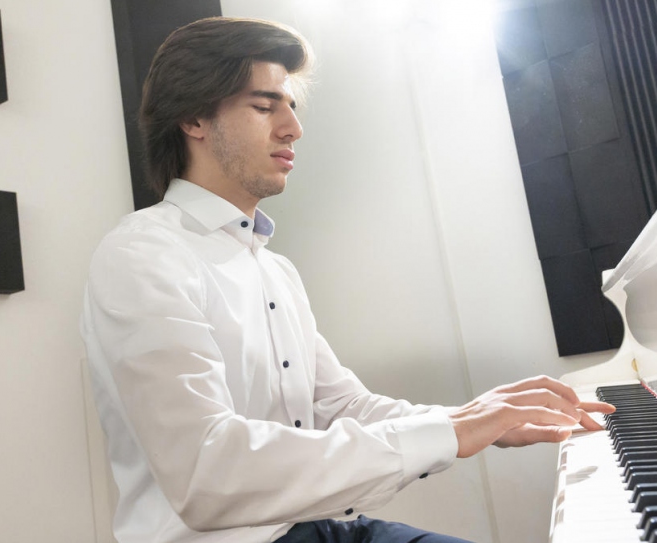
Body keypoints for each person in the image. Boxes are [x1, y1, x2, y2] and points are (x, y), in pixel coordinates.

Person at [81, 17, 614, 543]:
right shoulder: (142, 256)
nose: (293, 127)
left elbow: (345, 407)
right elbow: (208, 472)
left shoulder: (274, 269)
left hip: (320, 525)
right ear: (194, 119)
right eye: (265, 106)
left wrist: (479, 417)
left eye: (291, 106)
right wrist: (453, 433)